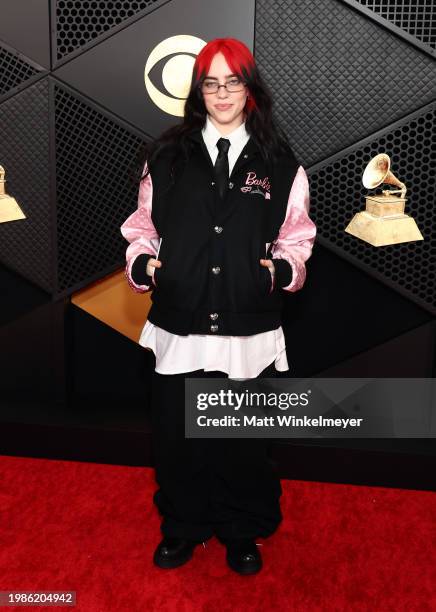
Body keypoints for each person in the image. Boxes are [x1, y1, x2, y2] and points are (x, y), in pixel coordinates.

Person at [120, 37, 317, 575]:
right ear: (198, 90)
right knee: (177, 437)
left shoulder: (280, 162)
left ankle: (239, 528)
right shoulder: (164, 156)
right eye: (212, 82)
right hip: (179, 323)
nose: (223, 93)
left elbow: (298, 238)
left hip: (246, 327)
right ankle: (183, 526)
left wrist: (278, 272)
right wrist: (146, 265)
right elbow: (142, 229)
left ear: (250, 89)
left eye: (234, 82)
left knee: (241, 441)